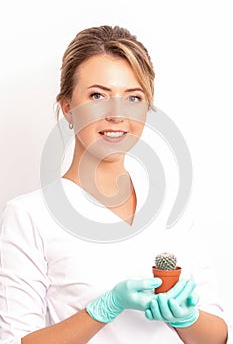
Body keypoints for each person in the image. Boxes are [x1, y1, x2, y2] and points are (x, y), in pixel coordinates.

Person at [0, 25, 228, 344]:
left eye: (133, 97)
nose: (117, 114)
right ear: (67, 107)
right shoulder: (29, 215)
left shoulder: (170, 208)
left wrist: (187, 318)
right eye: (97, 95)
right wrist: (103, 309)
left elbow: (216, 336)